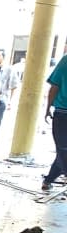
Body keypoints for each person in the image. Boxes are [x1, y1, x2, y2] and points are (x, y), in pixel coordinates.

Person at [42, 53, 67, 191]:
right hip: (63, 113)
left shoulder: (65, 60)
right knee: (63, 151)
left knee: (63, 150)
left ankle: (49, 180)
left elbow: (54, 87)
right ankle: (48, 180)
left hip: (63, 113)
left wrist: (47, 108)